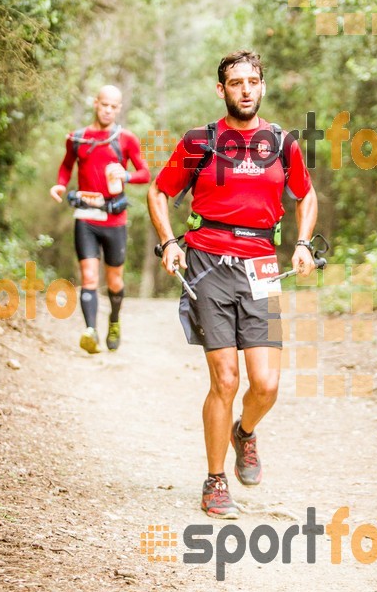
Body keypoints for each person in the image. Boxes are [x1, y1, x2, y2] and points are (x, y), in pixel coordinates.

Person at [147, 50, 318, 519]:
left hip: (262, 263)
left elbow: (306, 196)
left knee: (266, 383)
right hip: (206, 264)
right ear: (221, 90)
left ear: (262, 86)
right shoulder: (200, 141)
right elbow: (158, 191)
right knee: (225, 378)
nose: (245, 88)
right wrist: (167, 242)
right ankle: (215, 479)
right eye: (235, 82)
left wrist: (302, 244)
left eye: (253, 80)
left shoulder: (283, 143)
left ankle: (245, 432)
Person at [50, 85, 150, 354]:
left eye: (113, 106)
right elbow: (66, 165)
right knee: (89, 276)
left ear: (119, 108)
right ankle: (90, 332)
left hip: (114, 220)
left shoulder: (126, 139)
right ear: (96, 103)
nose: (108, 110)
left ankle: (114, 320)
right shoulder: (77, 138)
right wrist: (60, 185)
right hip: (85, 217)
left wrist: (125, 175)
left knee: (115, 281)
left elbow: (145, 173)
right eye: (104, 104)